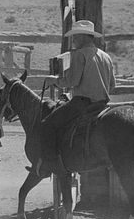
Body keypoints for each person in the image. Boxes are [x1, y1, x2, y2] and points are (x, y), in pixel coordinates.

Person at [35, 19, 115, 177]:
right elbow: (112, 86)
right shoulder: (106, 57)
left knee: (47, 125)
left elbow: (71, 81)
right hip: (102, 104)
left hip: (82, 104)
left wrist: (54, 81)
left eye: (76, 37)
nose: (74, 40)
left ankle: (50, 164)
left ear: (84, 36)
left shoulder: (79, 55)